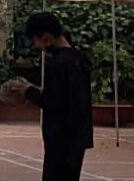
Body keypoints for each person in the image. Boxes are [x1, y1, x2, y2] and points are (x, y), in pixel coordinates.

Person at [23, 12, 94, 181]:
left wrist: (28, 92)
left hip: (60, 139)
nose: (37, 46)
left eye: (36, 40)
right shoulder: (81, 60)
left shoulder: (57, 64)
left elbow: (54, 103)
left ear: (46, 37)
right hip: (78, 137)